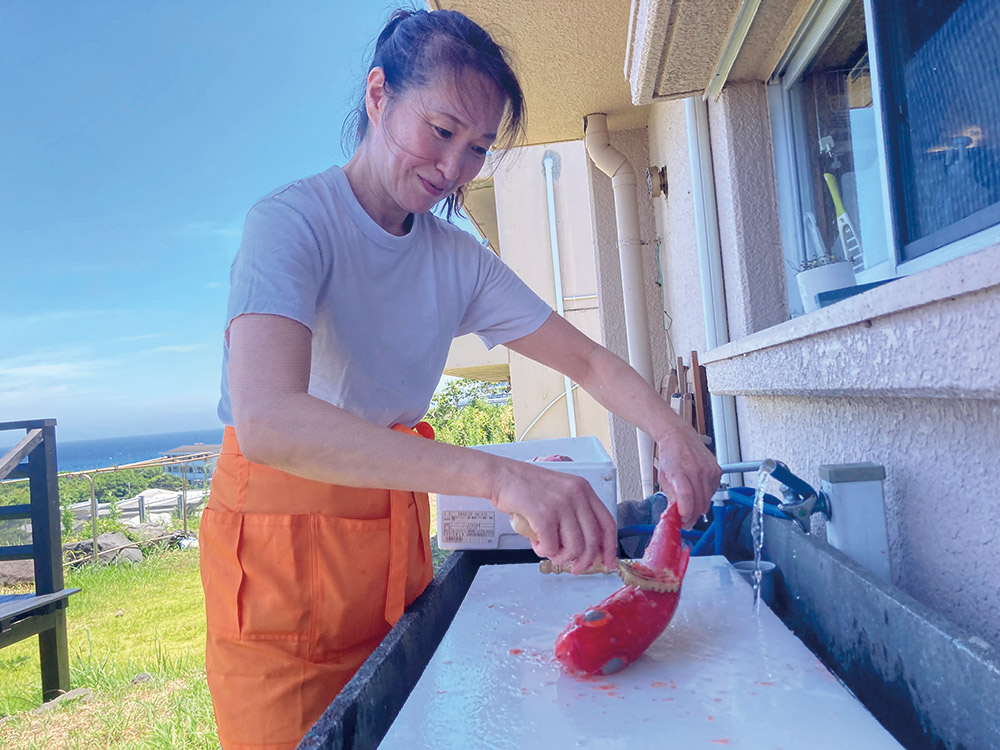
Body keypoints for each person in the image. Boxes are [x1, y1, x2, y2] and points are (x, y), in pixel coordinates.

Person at [199, 8, 721, 750]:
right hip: (278, 579)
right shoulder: (291, 224)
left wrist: (672, 431)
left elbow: (589, 362)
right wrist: (503, 479)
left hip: (390, 557)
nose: (453, 169)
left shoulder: (457, 258)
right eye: (440, 131)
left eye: (476, 148)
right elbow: (270, 419)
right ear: (378, 95)